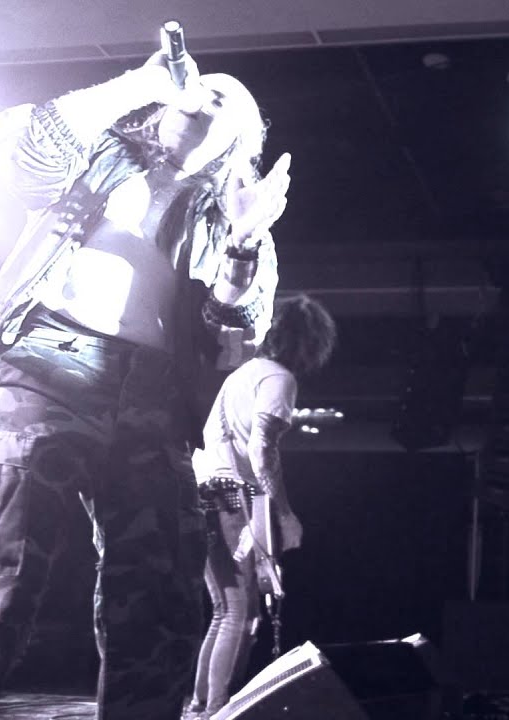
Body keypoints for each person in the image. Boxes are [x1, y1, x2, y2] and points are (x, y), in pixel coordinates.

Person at [0, 49, 290, 720]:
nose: (202, 97)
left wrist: (244, 244)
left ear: (239, 143)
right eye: (196, 89)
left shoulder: (236, 217)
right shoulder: (99, 155)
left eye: (223, 100)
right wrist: (142, 81)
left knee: (161, 606)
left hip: (155, 403)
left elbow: (235, 333)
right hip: (48, 368)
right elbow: (19, 153)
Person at [186, 294, 336, 719]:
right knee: (239, 613)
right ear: (310, 343)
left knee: (230, 611)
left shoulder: (244, 374)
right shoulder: (279, 379)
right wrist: (284, 515)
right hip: (229, 494)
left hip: (206, 491)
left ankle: (200, 705)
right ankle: (216, 710)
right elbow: (261, 449)